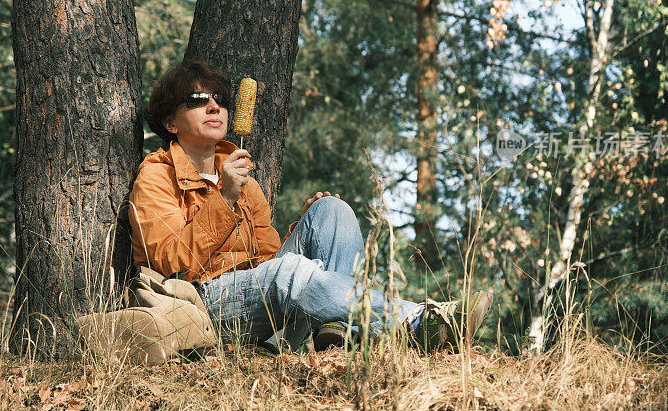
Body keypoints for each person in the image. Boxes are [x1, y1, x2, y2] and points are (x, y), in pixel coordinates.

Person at [128, 60, 492, 353]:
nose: (214, 106)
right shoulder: (156, 176)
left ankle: (335, 332)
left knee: (332, 210)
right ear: (169, 121)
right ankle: (417, 321)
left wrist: (301, 227)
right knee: (291, 273)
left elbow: (269, 262)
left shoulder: (245, 180)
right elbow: (168, 261)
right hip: (206, 302)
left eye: (221, 100)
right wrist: (223, 198)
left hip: (258, 300)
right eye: (197, 100)